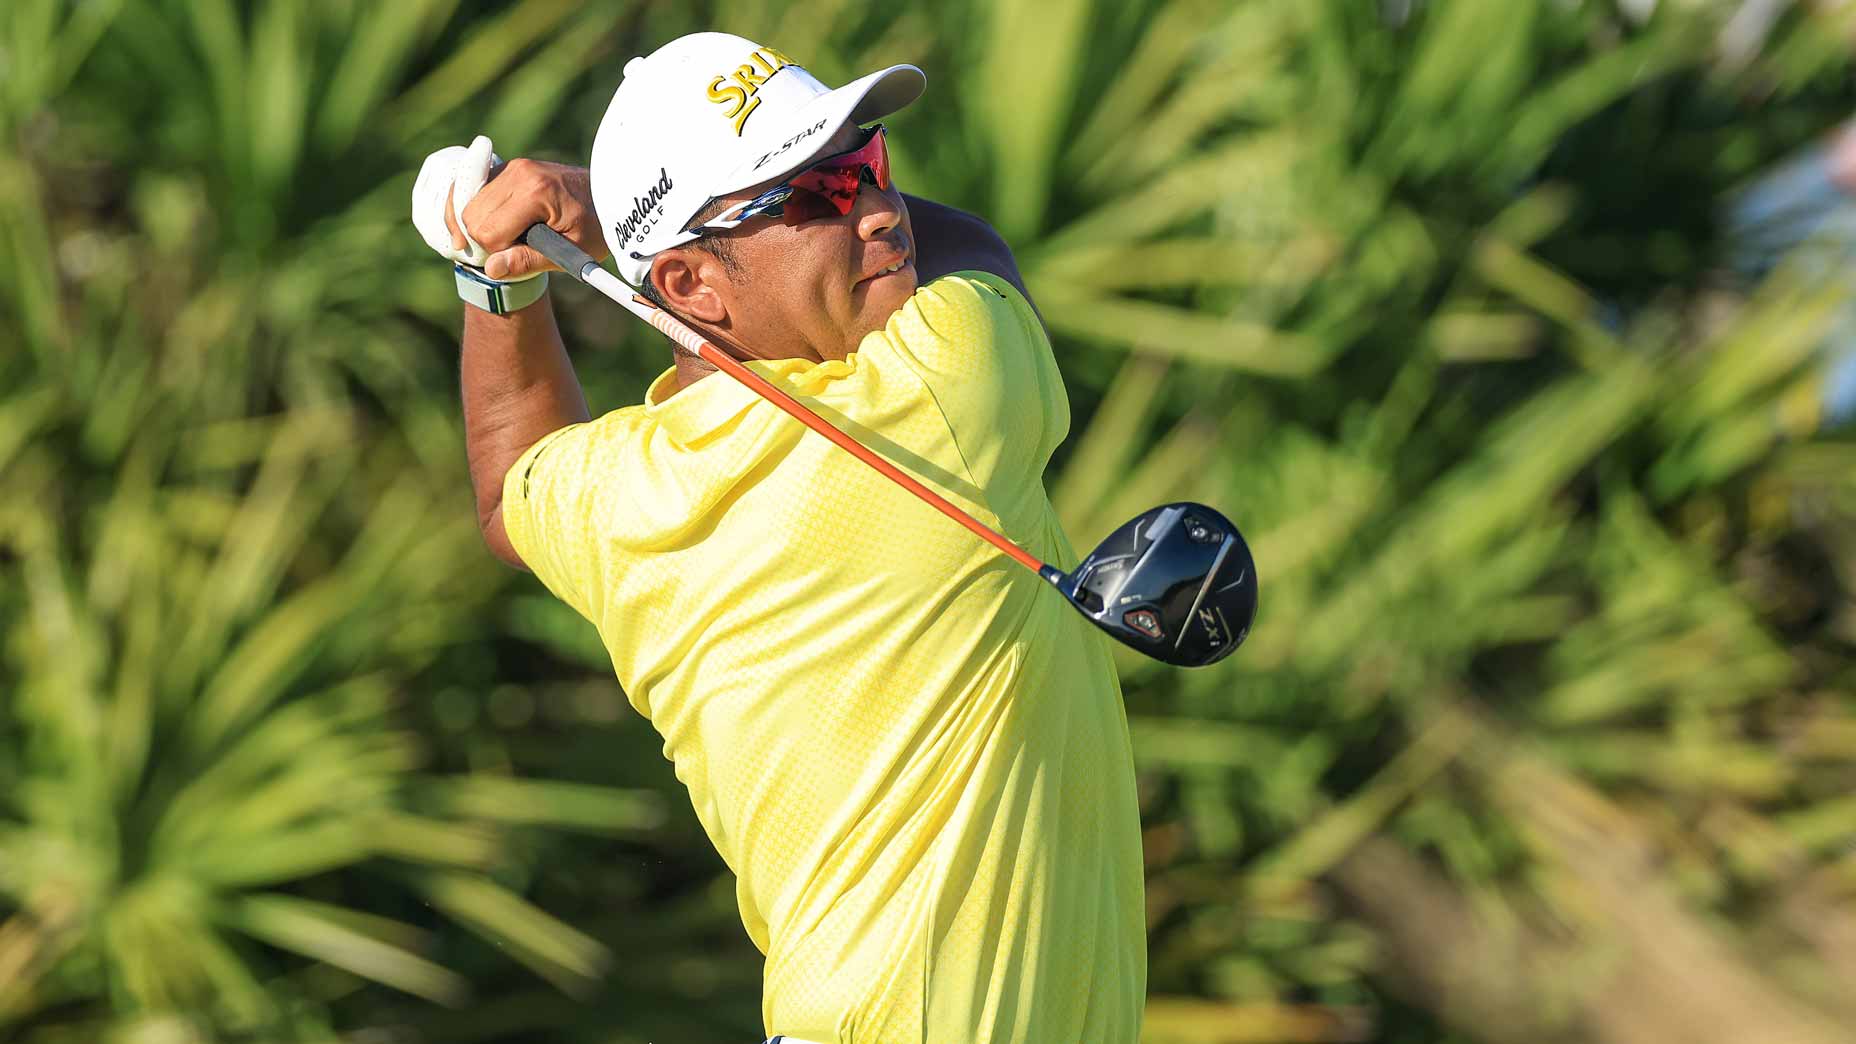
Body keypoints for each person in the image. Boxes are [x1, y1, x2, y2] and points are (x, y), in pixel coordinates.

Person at [410, 32, 1143, 1044]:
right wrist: (587, 206)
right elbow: (977, 247)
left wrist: (497, 285)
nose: (880, 208)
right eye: (814, 193)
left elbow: (507, 495)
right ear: (688, 288)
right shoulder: (946, 390)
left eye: (870, 161)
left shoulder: (621, 501)